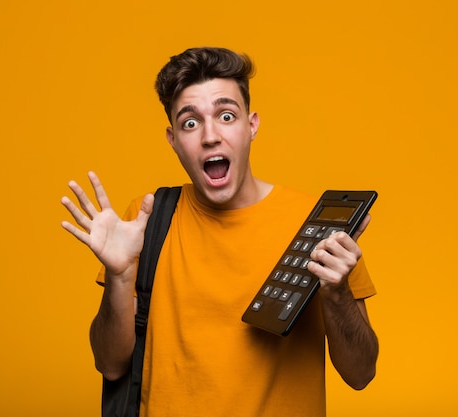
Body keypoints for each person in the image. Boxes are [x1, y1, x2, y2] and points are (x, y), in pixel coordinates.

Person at [61, 47, 378, 417]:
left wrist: (337, 293)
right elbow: (110, 364)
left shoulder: (319, 228)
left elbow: (361, 373)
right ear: (173, 139)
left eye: (226, 115)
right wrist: (119, 276)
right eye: (190, 123)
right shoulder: (146, 221)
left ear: (251, 125)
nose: (210, 136)